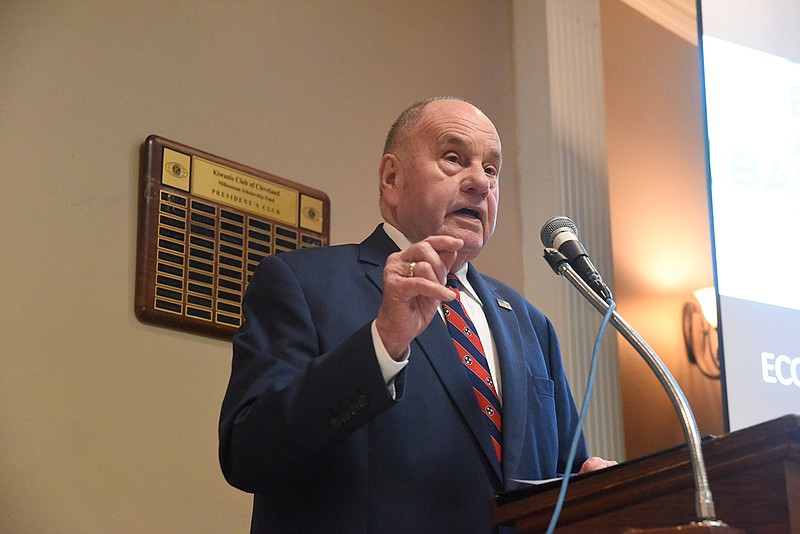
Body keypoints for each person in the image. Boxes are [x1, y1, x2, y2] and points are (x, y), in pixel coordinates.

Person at [218, 97, 615, 533]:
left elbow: (564, 478)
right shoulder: (303, 283)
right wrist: (382, 344)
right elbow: (249, 454)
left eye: (491, 170)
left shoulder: (529, 323)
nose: (481, 184)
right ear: (392, 178)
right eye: (453, 158)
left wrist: (594, 491)